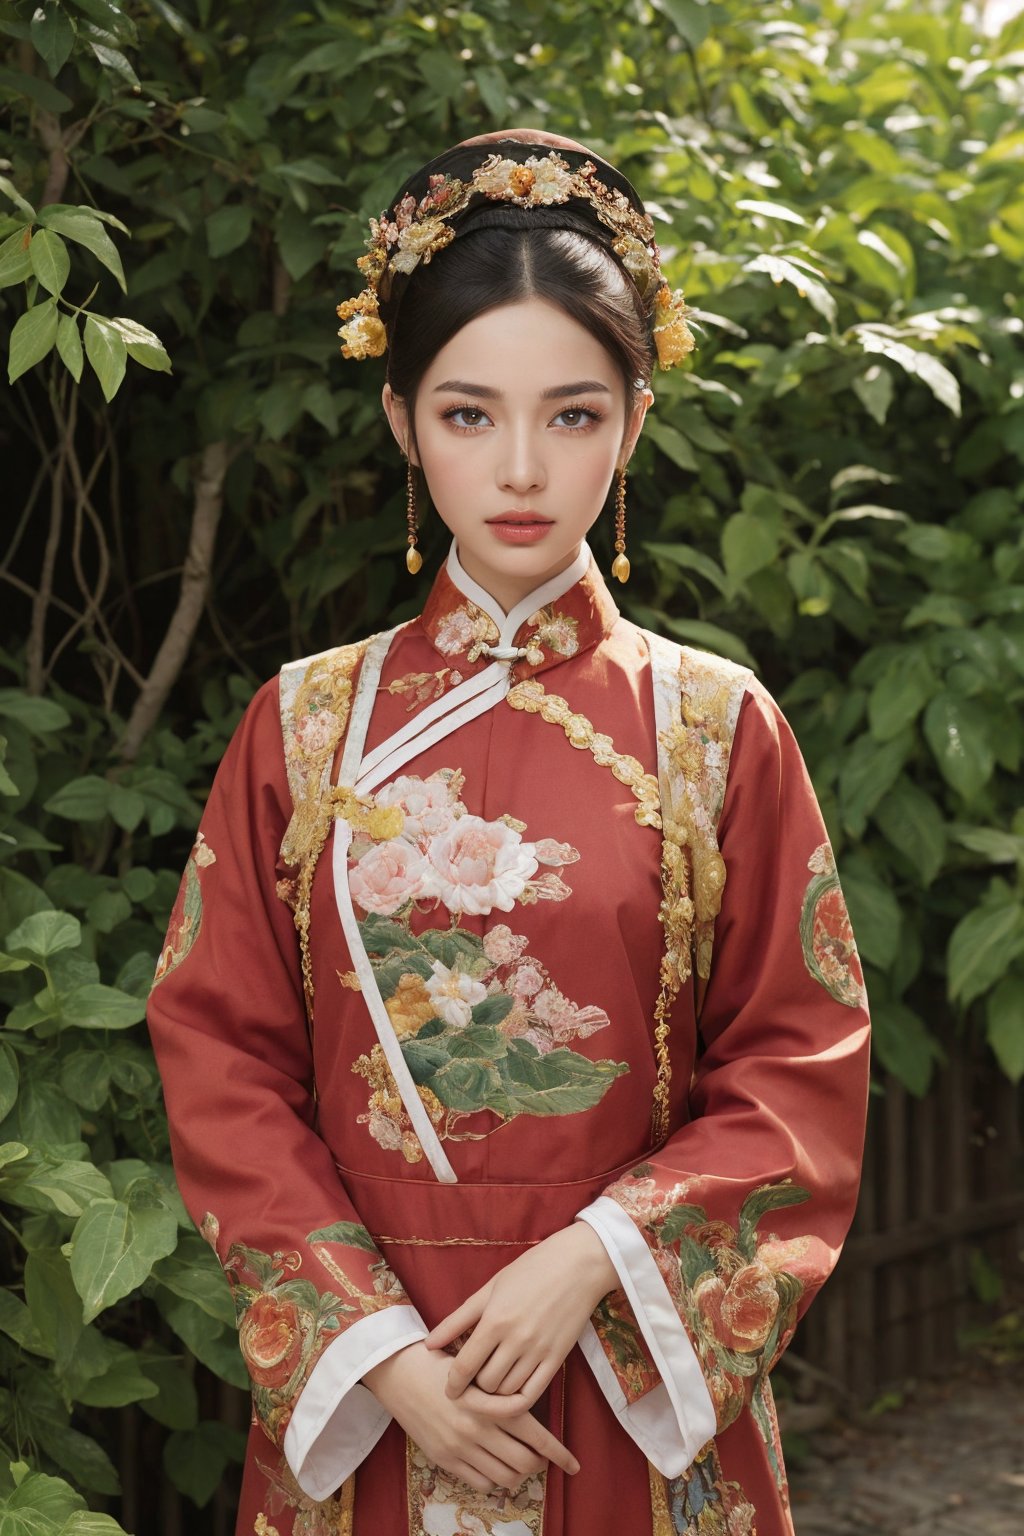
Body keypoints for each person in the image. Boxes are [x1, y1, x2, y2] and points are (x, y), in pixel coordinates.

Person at [147, 128, 871, 1536]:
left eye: (576, 414)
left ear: (638, 420)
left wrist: (593, 1262)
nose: (524, 468)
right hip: (377, 1382)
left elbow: (798, 1065)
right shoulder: (301, 727)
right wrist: (379, 1357)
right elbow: (220, 1057)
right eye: (471, 414)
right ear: (402, 424)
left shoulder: (718, 727)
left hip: (617, 1363)